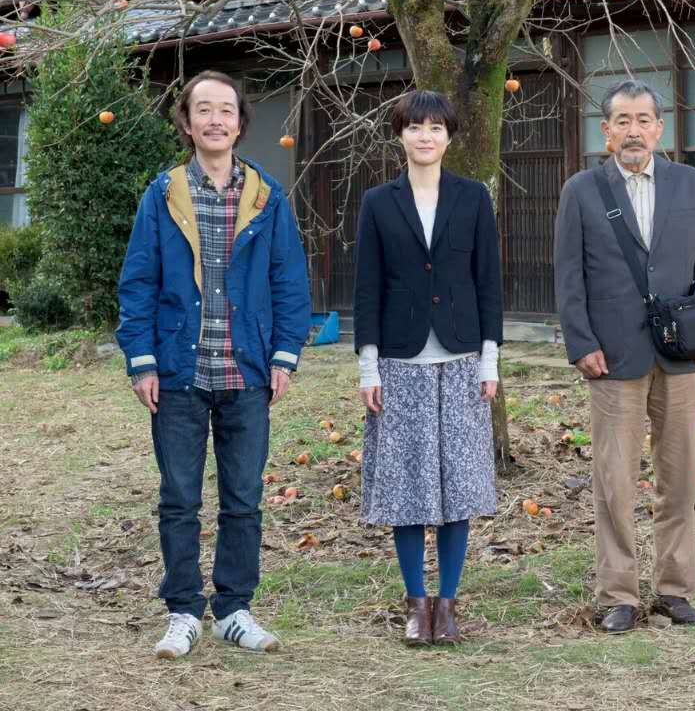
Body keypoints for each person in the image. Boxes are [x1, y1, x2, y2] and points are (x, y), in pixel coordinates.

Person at [117, 70, 311, 659]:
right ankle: (182, 611)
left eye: (225, 109)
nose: (215, 120)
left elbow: (289, 280)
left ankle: (233, 610)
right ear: (187, 121)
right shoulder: (163, 194)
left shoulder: (266, 196)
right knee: (179, 498)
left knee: (243, 499)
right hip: (179, 371)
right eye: (203, 109)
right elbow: (138, 281)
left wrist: (284, 354)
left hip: (247, 371)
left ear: (239, 122)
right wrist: (142, 361)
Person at [554, 79, 695, 634]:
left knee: (680, 477)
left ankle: (675, 589)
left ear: (659, 127)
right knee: (615, 481)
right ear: (606, 132)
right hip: (611, 356)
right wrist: (581, 342)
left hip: (681, 353)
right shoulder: (582, 190)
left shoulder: (690, 183)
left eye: (643, 120)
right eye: (623, 121)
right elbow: (569, 276)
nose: (634, 131)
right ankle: (619, 595)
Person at [354, 89, 503, 646]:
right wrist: (369, 366)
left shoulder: (472, 197)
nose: (425, 136)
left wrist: (490, 358)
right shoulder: (378, 202)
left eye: (435, 128)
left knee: (459, 485)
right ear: (400, 135)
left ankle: (448, 604)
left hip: (463, 360)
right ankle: (416, 604)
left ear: (449, 137)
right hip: (399, 361)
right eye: (415, 127)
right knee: (408, 487)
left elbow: (488, 280)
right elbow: (366, 287)